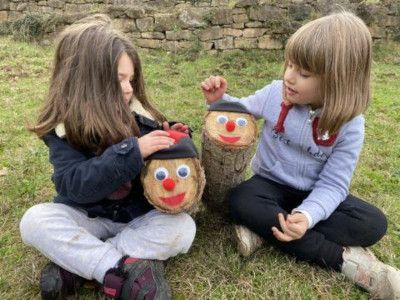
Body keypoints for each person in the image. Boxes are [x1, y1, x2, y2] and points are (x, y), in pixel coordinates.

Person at [201, 11, 399, 299]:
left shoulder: (350, 126)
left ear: (337, 80)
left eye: (304, 73)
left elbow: (333, 185)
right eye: (290, 65)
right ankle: (343, 260)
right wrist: (220, 102)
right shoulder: (274, 93)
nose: (289, 77)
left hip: (314, 194)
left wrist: (307, 216)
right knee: (240, 199)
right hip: (268, 186)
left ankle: (264, 231)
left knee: (372, 223)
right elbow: (241, 111)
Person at [19, 14, 196, 300]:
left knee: (183, 228)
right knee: (34, 221)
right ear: (85, 83)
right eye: (119, 80)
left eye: (131, 79)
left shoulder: (140, 115)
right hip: (85, 215)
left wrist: (172, 140)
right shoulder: (64, 129)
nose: (129, 88)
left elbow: (163, 166)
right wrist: (133, 152)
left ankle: (78, 265)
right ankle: (117, 270)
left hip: (135, 218)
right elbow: (73, 185)